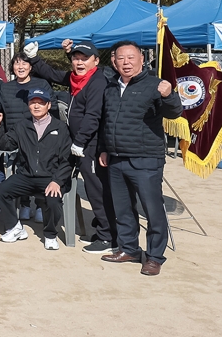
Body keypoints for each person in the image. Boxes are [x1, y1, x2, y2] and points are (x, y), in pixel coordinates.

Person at [98, 40, 182, 276]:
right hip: (116, 158)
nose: (126, 62)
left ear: (141, 60)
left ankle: (154, 256)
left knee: (152, 210)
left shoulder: (155, 85)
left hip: (146, 160)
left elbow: (174, 112)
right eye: (121, 58)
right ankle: (129, 249)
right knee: (123, 209)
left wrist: (169, 96)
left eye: (131, 57)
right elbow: (107, 121)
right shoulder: (111, 87)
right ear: (114, 62)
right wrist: (104, 148)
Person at [23, 39, 114, 253]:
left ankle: (107, 236)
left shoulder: (97, 82)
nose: (79, 62)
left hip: (90, 144)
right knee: (91, 187)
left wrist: (80, 142)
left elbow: (93, 116)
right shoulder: (77, 79)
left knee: (96, 189)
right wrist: (34, 59)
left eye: (85, 59)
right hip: (79, 143)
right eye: (76, 58)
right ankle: (102, 229)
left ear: (96, 61)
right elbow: (53, 74)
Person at [0, 89, 73, 250]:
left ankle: (50, 234)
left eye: (41, 102)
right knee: (1, 190)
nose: (36, 106)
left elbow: (68, 159)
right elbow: (5, 144)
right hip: (26, 175)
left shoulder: (61, 128)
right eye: (32, 102)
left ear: (48, 105)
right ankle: (15, 227)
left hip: (51, 177)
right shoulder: (22, 125)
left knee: (53, 200)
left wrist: (57, 181)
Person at [0, 53, 53, 223]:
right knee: (20, 172)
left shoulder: (41, 83)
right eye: (16, 63)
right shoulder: (6, 88)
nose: (20, 67)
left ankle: (39, 205)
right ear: (12, 67)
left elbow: (54, 107)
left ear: (31, 67)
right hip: (14, 137)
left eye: (24, 63)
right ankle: (24, 205)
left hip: (39, 136)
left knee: (39, 171)